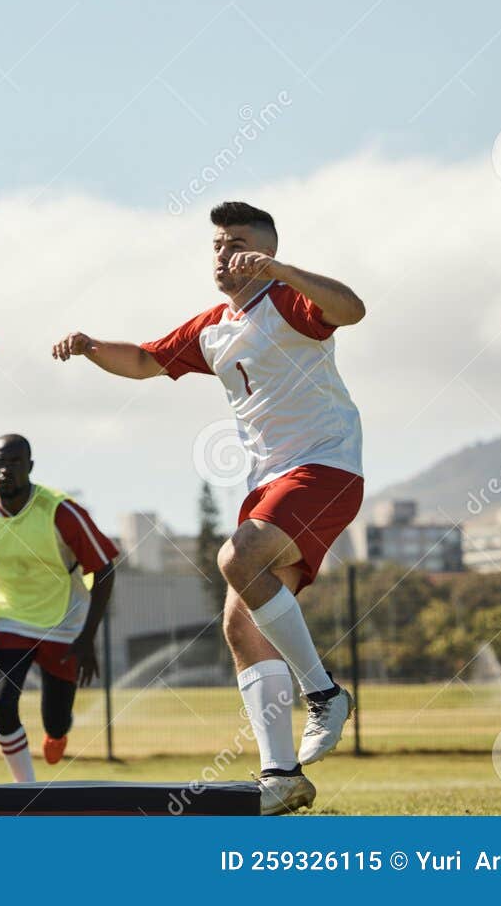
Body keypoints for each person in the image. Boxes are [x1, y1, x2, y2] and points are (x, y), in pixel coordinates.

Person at [52, 201, 364, 814]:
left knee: (237, 556)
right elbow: (144, 362)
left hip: (325, 468)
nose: (225, 253)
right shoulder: (212, 327)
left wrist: (284, 269)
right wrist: (90, 346)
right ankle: (282, 775)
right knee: (241, 623)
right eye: (218, 245)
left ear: (266, 250)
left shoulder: (291, 301)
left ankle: (325, 694)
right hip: (270, 485)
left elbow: (352, 309)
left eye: (239, 243)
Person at [0, 434, 117, 781]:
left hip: (65, 621)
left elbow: (104, 569)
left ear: (30, 466)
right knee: (2, 703)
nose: (5, 470)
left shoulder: (60, 511)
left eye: (14, 462)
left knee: (57, 717)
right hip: (10, 619)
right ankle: (27, 792)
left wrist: (87, 638)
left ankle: (56, 733)